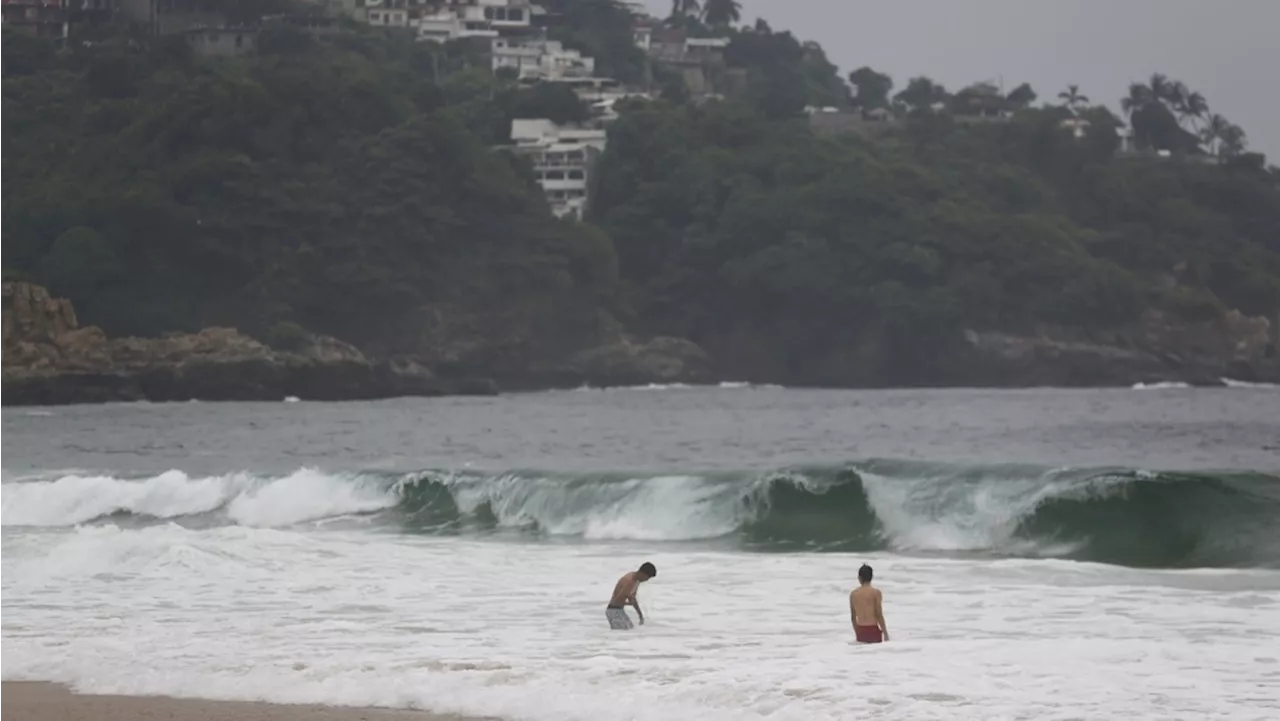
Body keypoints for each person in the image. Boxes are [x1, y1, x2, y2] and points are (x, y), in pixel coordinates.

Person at [606, 562, 656, 630]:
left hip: (619, 610)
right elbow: (617, 600)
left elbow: (632, 598)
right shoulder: (629, 580)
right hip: (613, 611)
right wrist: (628, 603)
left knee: (630, 631)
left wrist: (640, 615)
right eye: (647, 577)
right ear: (642, 573)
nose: (646, 580)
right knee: (624, 633)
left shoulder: (636, 580)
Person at [849, 563, 888, 643]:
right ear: (871, 577)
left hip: (860, 630)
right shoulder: (876, 593)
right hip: (873, 629)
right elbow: (879, 615)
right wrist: (885, 634)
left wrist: (857, 633)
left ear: (859, 578)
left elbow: (853, 618)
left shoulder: (853, 594)